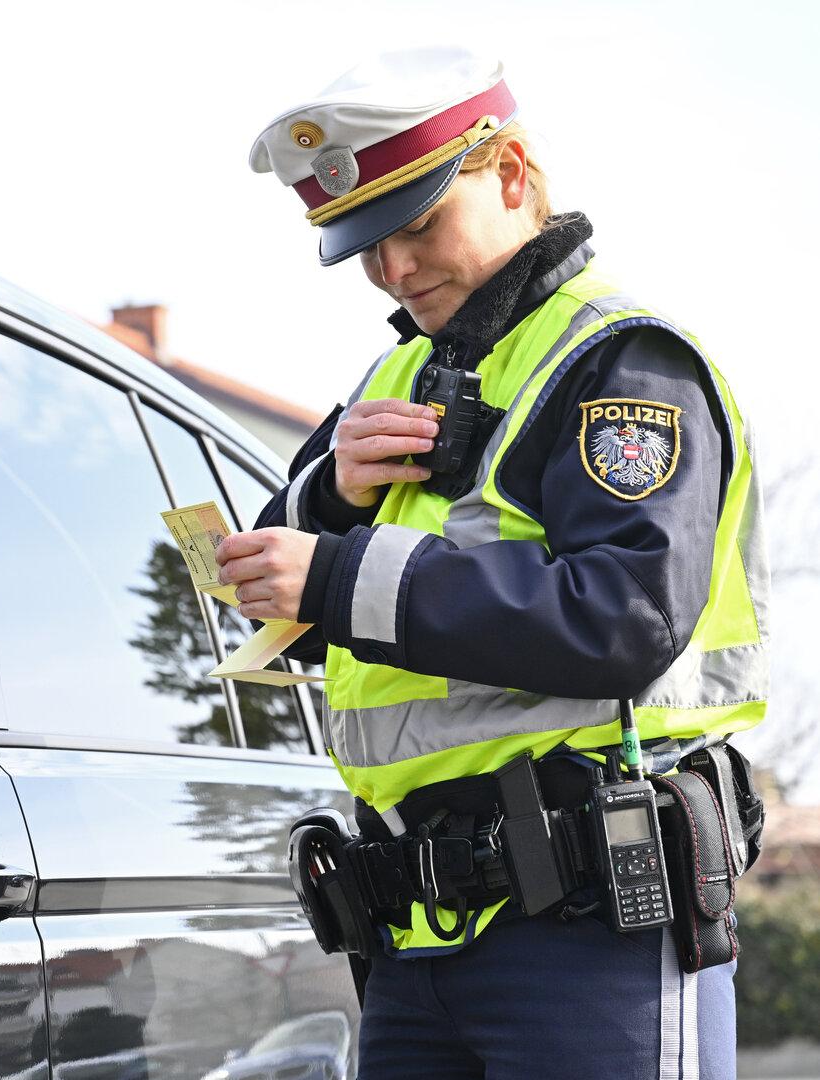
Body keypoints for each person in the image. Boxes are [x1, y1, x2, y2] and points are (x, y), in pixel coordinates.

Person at [216, 47, 766, 1080]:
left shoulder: (620, 363)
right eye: (366, 244)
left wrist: (338, 577)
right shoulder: (395, 374)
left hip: (592, 931)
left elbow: (621, 619)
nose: (392, 270)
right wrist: (325, 495)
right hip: (410, 938)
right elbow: (266, 592)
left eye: (416, 224)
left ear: (510, 173)